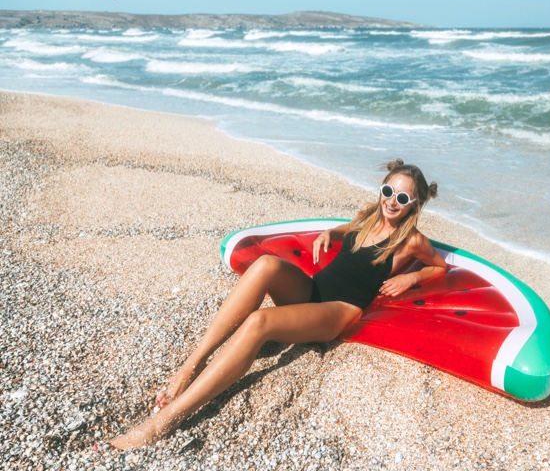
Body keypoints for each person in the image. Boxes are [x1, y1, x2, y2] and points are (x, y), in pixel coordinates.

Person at [109, 159, 447, 450]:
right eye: (388, 191)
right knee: (266, 266)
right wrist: (331, 232)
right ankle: (192, 364)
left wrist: (412, 278)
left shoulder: (411, 241)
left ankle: (166, 420)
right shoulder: (368, 214)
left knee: (259, 322)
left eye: (402, 198)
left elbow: (439, 266)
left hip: (338, 311)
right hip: (315, 290)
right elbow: (351, 228)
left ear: (414, 205)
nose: (391, 201)